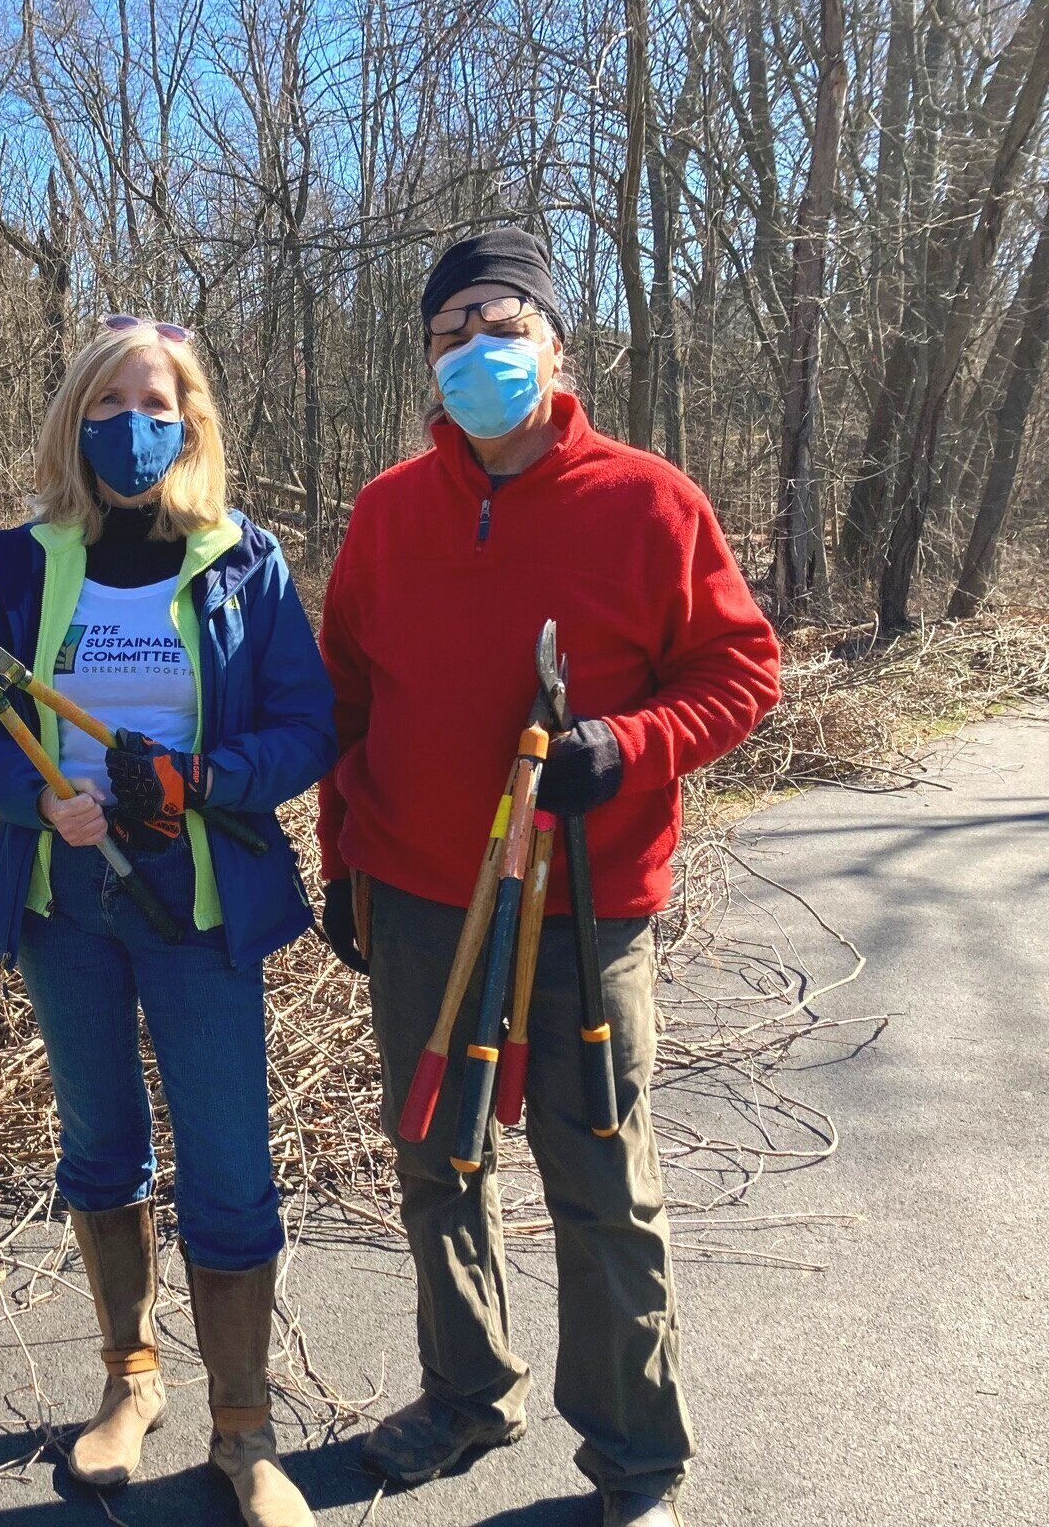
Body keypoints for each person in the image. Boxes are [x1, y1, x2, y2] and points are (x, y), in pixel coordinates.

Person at [315, 227, 781, 1527]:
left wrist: (626, 746)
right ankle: (468, 1393)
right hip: (416, 898)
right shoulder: (387, 511)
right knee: (435, 1159)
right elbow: (345, 695)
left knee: (599, 1180)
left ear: (555, 343)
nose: (477, 348)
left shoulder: (649, 500)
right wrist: (338, 858)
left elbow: (743, 671)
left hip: (584, 908)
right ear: (426, 356)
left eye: (500, 321)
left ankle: (636, 1462)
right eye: (451, 328)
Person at [0, 318, 337, 1527]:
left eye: (157, 400)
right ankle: (130, 1382)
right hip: (68, 908)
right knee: (100, 1146)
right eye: (109, 399)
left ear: (193, 419)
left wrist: (205, 780)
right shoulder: (13, 562)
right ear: (75, 416)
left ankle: (245, 1428)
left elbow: (307, 726)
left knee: (227, 1164)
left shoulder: (243, 562)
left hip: (195, 907)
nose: (133, 422)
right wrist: (33, 794)